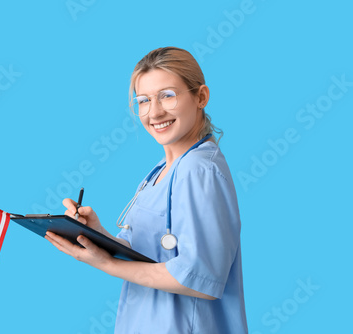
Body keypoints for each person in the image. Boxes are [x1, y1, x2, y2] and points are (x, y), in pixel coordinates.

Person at [45, 46, 248, 333]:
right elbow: (146, 255)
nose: (154, 112)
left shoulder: (198, 170)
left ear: (200, 97)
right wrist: (96, 235)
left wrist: (105, 264)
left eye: (168, 95)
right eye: (143, 100)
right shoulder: (159, 172)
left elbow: (201, 279)